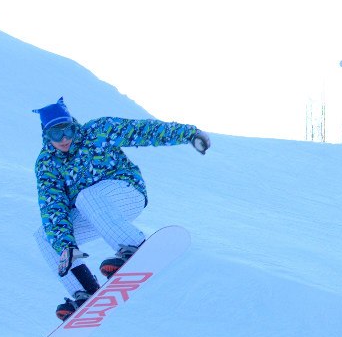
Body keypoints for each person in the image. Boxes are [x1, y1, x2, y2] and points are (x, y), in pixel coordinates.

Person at [33, 97, 210, 321]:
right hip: (95, 212)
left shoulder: (97, 131)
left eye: (67, 130)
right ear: (46, 135)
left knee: (86, 196)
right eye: (56, 134)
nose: (64, 138)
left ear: (74, 125)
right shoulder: (47, 164)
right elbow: (53, 207)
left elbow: (142, 131)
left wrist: (189, 134)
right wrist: (66, 245)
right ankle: (84, 290)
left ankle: (133, 247)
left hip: (127, 193)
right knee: (47, 237)